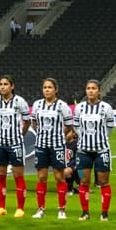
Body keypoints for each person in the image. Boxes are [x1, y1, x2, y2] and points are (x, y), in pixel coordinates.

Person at [30, 77, 75, 219]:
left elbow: (69, 126)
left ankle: (61, 210)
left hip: (57, 146)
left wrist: (59, 135)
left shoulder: (62, 106)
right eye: (45, 87)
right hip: (41, 145)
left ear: (56, 90)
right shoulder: (37, 105)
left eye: (50, 87)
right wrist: (43, 134)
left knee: (59, 177)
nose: (47, 90)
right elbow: (34, 123)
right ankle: (40, 209)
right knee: (42, 177)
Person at [73, 80, 116, 220]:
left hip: (102, 150)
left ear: (99, 91)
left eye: (93, 88)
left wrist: (99, 138)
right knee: (83, 181)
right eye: (88, 88)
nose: (90, 91)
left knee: (104, 182)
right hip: (83, 151)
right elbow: (76, 126)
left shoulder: (106, 108)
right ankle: (85, 212)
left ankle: (104, 213)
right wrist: (84, 137)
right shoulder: (79, 108)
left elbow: (110, 127)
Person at [0, 75, 31, 217]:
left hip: (16, 145)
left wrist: (19, 135)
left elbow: (27, 121)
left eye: (5, 84)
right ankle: (2, 208)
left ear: (12, 86)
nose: (2, 86)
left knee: (18, 176)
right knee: (0, 177)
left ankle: (20, 208)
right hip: (0, 144)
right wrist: (1, 133)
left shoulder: (20, 102)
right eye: (0, 84)